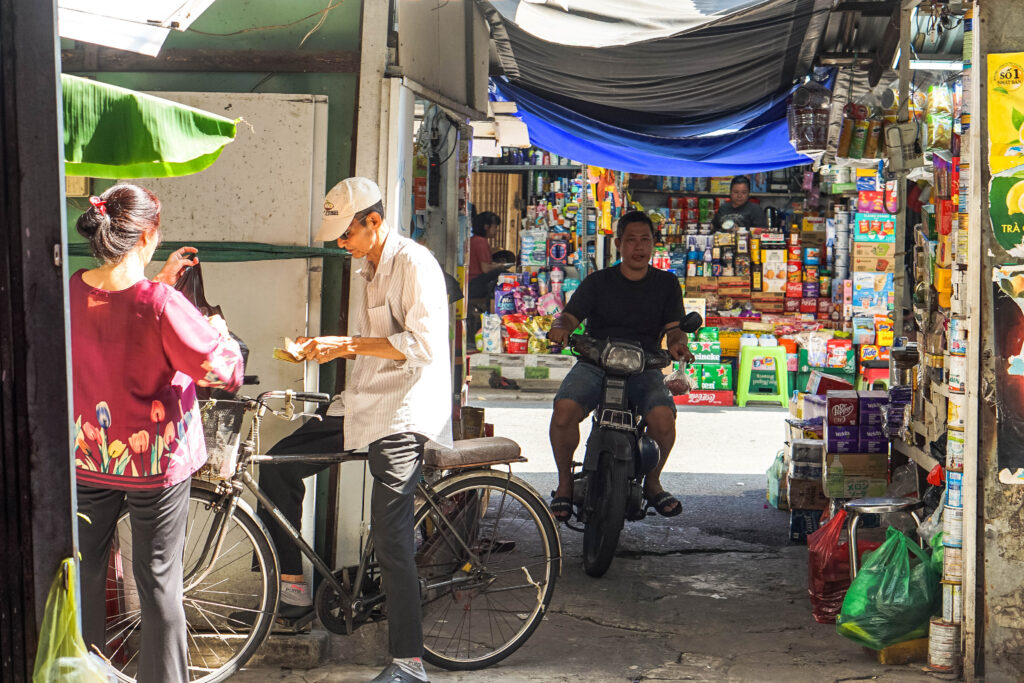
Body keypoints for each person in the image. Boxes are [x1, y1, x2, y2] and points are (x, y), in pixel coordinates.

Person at [71, 185, 244, 682]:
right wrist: (220, 330)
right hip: (155, 464)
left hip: (90, 456)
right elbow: (220, 371)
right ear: (147, 234)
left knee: (83, 576)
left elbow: (117, 304)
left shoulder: (70, 291)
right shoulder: (162, 303)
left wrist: (157, 283)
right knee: (158, 587)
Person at [299, 177, 452, 683]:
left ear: (374, 222)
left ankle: (409, 662)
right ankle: (289, 587)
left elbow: (422, 345)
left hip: (404, 410)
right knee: (280, 461)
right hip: (362, 402)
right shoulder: (366, 268)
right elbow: (367, 346)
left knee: (390, 537)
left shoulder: (413, 263)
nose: (342, 245)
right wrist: (335, 347)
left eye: (347, 235)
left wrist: (348, 345)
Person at [547, 210, 694, 522]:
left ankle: (653, 482)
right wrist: (560, 327)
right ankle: (563, 485)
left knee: (663, 419)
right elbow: (570, 316)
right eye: (631, 241)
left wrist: (678, 343)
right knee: (563, 412)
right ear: (618, 244)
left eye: (645, 240)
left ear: (654, 244)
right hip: (595, 361)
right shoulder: (598, 281)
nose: (638, 247)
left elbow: (674, 329)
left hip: (646, 365)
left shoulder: (666, 284)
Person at [467, 211, 509, 299]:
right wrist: (500, 265)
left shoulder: (473, 240)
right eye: (495, 227)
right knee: (500, 272)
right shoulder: (480, 242)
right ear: (486, 227)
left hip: (470, 284)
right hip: (474, 285)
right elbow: (485, 269)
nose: (496, 230)